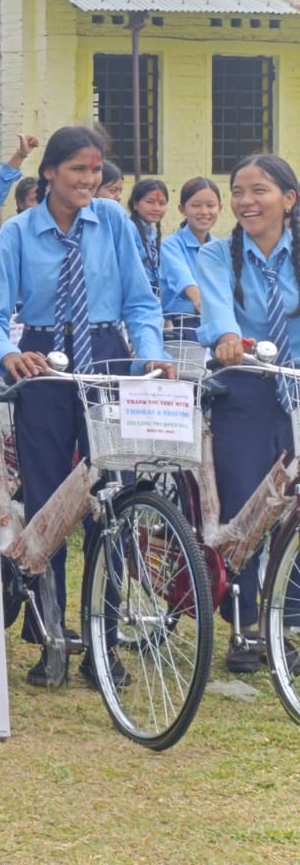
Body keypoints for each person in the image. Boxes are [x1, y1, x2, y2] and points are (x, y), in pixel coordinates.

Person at [0, 126, 173, 685]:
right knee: (49, 505)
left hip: (108, 358)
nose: (90, 180)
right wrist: (8, 354)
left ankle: (103, 645)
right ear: (49, 174)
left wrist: (153, 354)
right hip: (43, 365)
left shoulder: (114, 221)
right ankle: (50, 641)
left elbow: (141, 299)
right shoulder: (18, 234)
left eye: (96, 171)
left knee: (111, 502)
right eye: (78, 171)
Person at [195, 155, 300, 671]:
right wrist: (228, 336)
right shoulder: (219, 254)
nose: (245, 202)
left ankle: (286, 626)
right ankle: (244, 628)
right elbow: (216, 307)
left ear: (289, 198)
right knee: (248, 508)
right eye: (238, 191)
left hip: (297, 385)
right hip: (246, 387)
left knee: (294, 509)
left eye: (259, 190)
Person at [161, 177, 221, 334]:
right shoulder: (171, 244)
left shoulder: (220, 247)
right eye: (196, 205)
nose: (204, 212)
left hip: (217, 321)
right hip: (182, 325)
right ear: (182, 209)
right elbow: (183, 278)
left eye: (211, 205)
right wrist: (200, 301)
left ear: (220, 208)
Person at [125, 178, 181, 302]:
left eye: (162, 203)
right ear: (135, 204)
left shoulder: (151, 232)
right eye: (150, 202)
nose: (157, 208)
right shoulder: (128, 229)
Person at [0, 134, 40, 218]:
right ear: (21, 203)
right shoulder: (14, 229)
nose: (40, 206)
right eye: (34, 200)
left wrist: (21, 154)